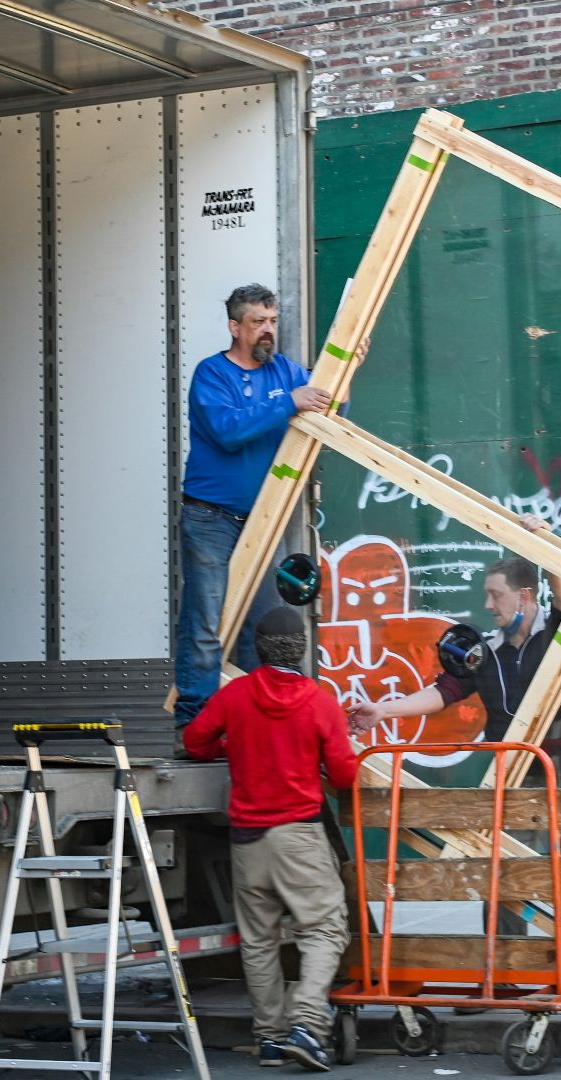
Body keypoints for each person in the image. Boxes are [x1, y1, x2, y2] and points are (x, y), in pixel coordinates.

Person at [349, 517, 561, 882]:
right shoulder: (486, 649)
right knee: (505, 869)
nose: (487, 604)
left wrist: (544, 539)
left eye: (495, 594)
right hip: (511, 768)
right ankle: (502, 941)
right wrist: (384, 710)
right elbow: (441, 693)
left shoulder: (557, 633)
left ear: (524, 596)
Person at [183, 606, 359, 1072]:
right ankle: (306, 1024)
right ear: (301, 649)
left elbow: (195, 741)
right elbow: (344, 774)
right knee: (324, 928)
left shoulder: (236, 695)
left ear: (259, 649)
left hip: (246, 841)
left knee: (258, 941)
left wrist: (232, 745)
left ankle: (271, 1040)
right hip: (298, 837)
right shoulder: (318, 700)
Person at [174, 284, 332, 754]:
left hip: (265, 518)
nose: (268, 331)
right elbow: (228, 431)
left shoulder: (285, 370)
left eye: (272, 321)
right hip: (210, 518)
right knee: (205, 620)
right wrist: (290, 402)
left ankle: (254, 730)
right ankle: (195, 729)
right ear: (235, 327)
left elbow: (331, 405)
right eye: (258, 322)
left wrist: (349, 369)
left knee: (260, 627)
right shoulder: (212, 374)